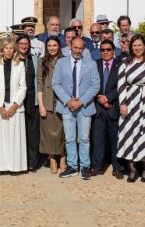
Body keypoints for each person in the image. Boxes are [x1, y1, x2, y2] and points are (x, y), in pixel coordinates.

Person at [53, 36, 101, 179]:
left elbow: (95, 85)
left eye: (81, 48)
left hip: (84, 106)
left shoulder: (90, 64)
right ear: (70, 46)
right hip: (67, 106)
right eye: (75, 47)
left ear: (84, 48)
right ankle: (73, 166)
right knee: (70, 138)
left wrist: (81, 101)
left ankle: (85, 166)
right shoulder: (61, 63)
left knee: (85, 138)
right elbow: (56, 83)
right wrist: (68, 100)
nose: (78, 51)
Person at [116, 34, 145, 183]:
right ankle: (132, 169)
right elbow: (121, 85)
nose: (137, 48)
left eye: (140, 45)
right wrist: (123, 104)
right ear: (130, 47)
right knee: (130, 134)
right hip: (131, 102)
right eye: (134, 46)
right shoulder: (125, 63)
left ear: (144, 46)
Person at [0, 39, 27, 173]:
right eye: (6, 48)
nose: (9, 51)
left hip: (15, 107)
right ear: (1, 50)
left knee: (14, 139)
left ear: (15, 50)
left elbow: (23, 87)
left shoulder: (20, 65)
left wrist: (14, 106)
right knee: (1, 138)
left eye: (12, 48)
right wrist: (1, 107)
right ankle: (1, 166)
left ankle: (15, 166)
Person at [91, 39, 122, 178]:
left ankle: (117, 167)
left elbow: (122, 85)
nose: (105, 52)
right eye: (103, 50)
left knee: (116, 140)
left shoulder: (120, 65)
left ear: (113, 51)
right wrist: (100, 98)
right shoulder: (94, 65)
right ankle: (98, 167)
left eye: (108, 49)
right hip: (98, 108)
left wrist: (108, 99)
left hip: (113, 107)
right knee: (98, 139)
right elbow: (89, 83)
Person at [37, 37, 66, 174]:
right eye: (49, 45)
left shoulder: (65, 61)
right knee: (48, 133)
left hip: (62, 101)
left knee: (62, 132)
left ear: (59, 46)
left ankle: (62, 157)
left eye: (55, 45)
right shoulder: (42, 61)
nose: (52, 48)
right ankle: (52, 159)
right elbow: (39, 84)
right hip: (47, 100)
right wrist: (41, 105)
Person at [17, 34, 41, 172]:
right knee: (19, 131)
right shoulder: (12, 59)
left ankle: (32, 161)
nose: (24, 46)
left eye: (26, 43)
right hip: (18, 100)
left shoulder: (35, 59)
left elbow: (38, 80)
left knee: (32, 132)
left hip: (32, 99)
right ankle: (20, 160)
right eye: (21, 43)